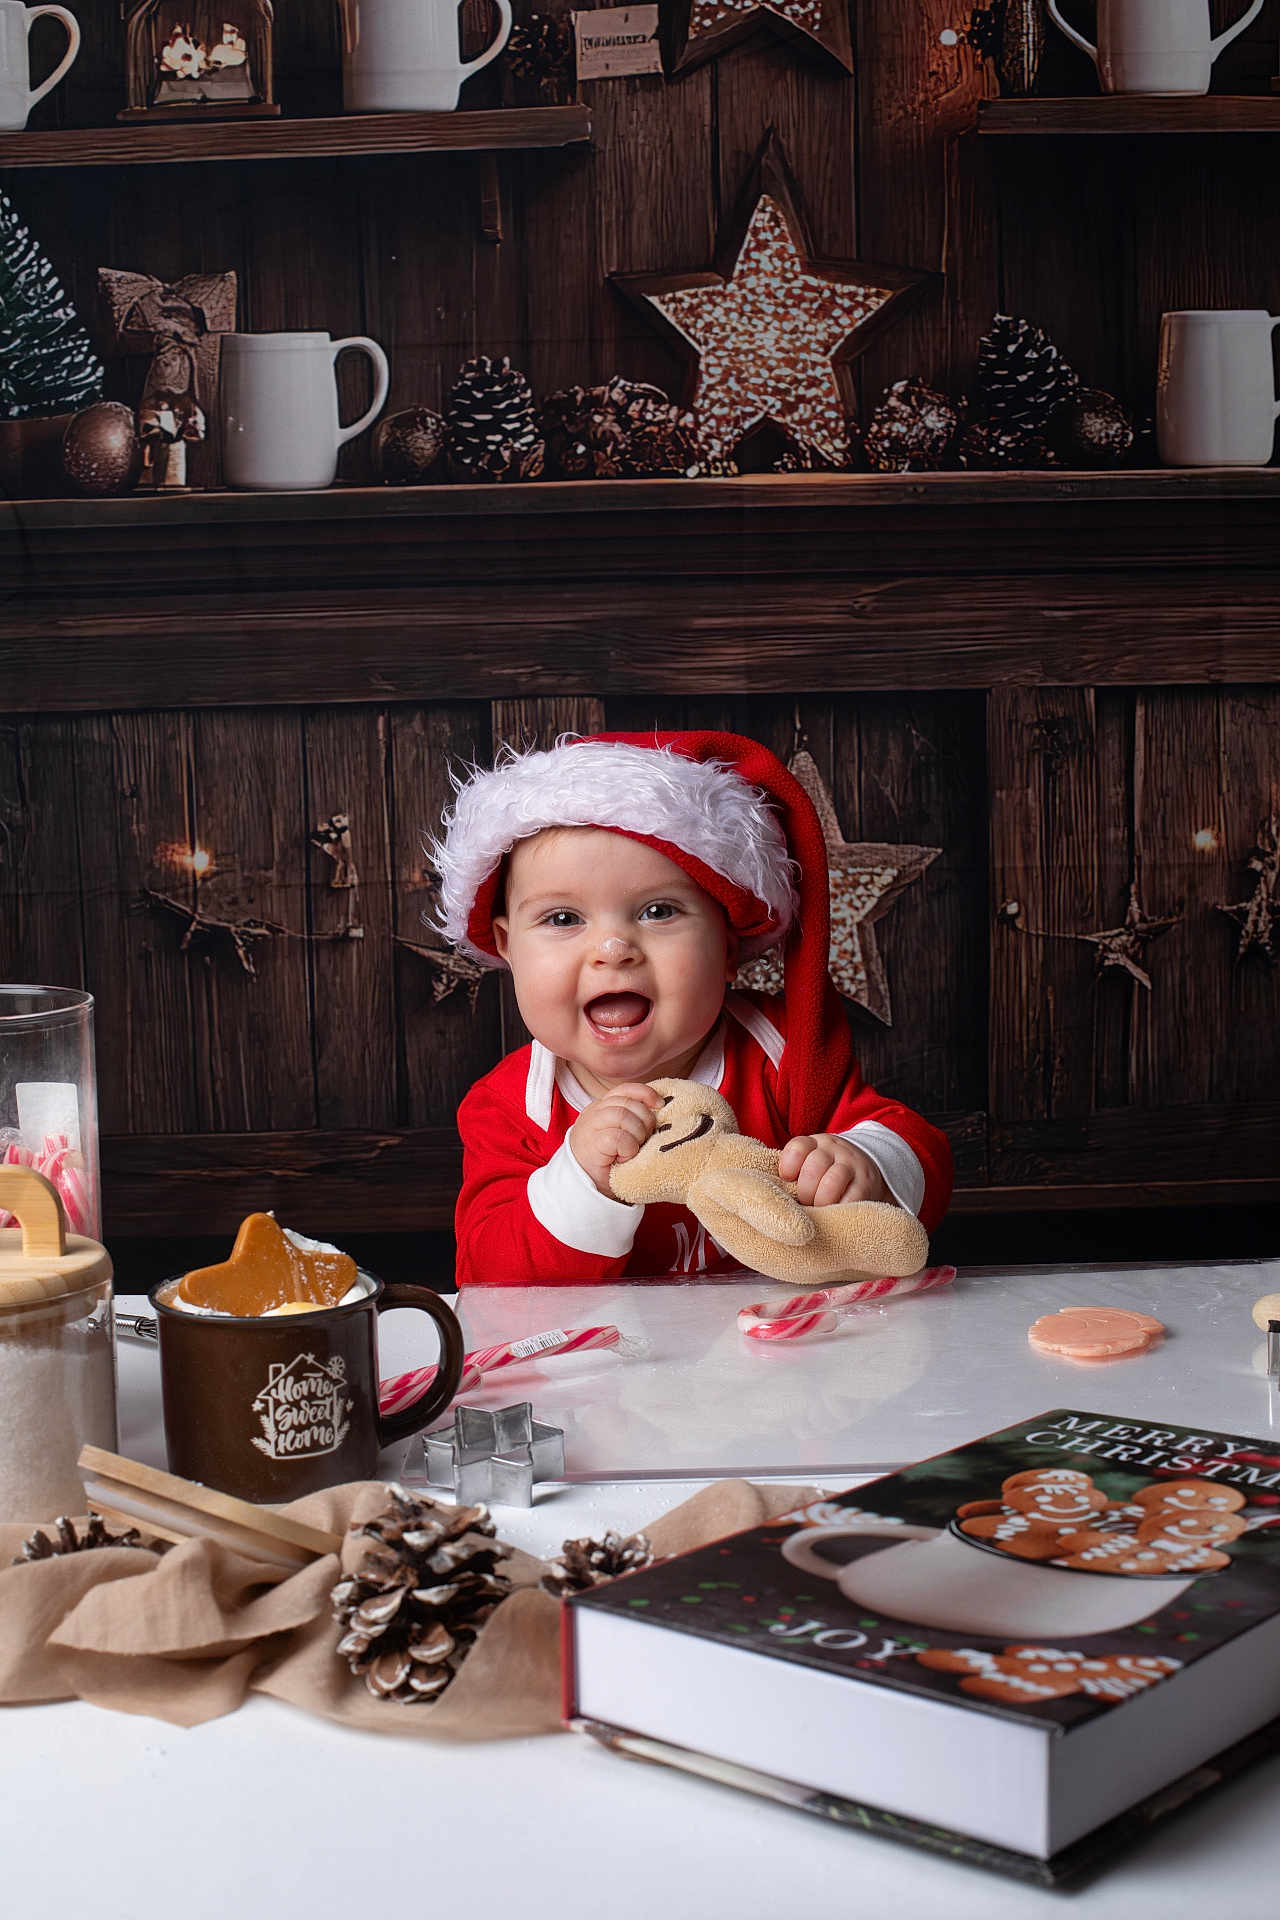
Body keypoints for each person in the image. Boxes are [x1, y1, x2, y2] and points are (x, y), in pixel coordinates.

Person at [431, 731, 952, 1286]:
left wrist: (863, 1164)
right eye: (563, 919)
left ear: (727, 950)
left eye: (658, 911)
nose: (613, 950)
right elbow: (486, 1275)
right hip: (611, 1360)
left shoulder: (781, 1051)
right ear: (508, 948)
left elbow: (919, 1148)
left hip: (781, 1351)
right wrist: (581, 1178)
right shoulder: (511, 1107)